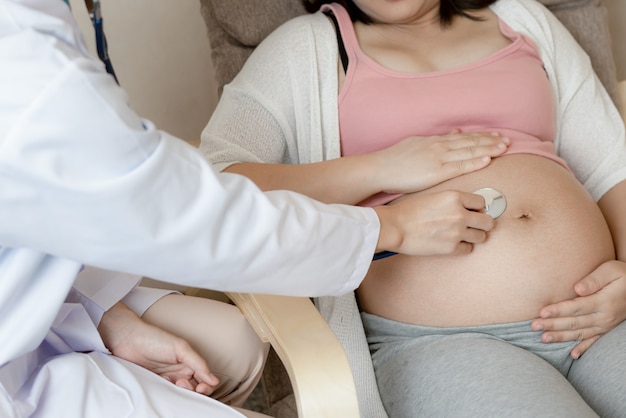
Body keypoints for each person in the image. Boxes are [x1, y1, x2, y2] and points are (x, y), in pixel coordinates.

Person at [0, 0, 513, 417]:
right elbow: (186, 212)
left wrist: (106, 318)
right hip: (435, 338)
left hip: (28, 317)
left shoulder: (522, 25)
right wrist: (389, 223)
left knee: (232, 346)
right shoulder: (26, 60)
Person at [199, 0, 626, 416]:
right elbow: (212, 189)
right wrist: (379, 169)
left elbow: (613, 164)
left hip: (603, 321)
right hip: (446, 345)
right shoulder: (304, 47)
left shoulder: (523, 19)